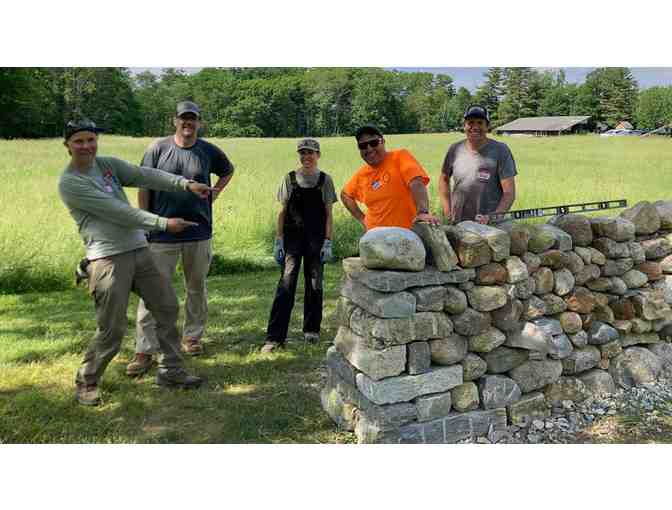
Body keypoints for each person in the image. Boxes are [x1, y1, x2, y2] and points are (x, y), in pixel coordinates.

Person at [58, 118, 214, 406]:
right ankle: (87, 380)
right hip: (108, 259)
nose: (86, 146)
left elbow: (144, 175)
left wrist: (185, 183)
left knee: (166, 307)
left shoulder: (106, 165)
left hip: (139, 251)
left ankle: (171, 370)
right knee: (112, 329)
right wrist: (163, 224)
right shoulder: (70, 182)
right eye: (79, 141)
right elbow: (119, 212)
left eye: (91, 139)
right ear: (67, 145)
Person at [128, 101, 235, 376]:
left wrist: (215, 193)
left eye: (192, 119)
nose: (188, 123)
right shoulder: (157, 148)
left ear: (199, 122)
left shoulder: (207, 150)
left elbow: (228, 170)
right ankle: (144, 350)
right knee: (152, 291)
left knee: (196, 287)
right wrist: (146, 222)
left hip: (199, 233)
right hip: (161, 234)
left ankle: (192, 337)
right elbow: (144, 183)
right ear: (174, 121)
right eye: (183, 118)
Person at [261, 138, 337, 353]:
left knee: (315, 284)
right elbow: (282, 211)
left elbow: (329, 214)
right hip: (292, 239)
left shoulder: (325, 180)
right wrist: (279, 240)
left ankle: (311, 330)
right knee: (286, 285)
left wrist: (328, 241)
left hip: (316, 239)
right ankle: (275, 337)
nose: (306, 157)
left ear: (318, 155)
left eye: (310, 153)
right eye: (303, 153)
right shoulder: (290, 178)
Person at [340, 125, 439, 230]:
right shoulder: (361, 175)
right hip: (375, 235)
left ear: (383, 141)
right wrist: (363, 220)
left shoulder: (400, 157)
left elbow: (416, 181)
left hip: (408, 233)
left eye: (374, 143)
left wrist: (423, 212)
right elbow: (345, 195)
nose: (369, 148)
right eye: (363, 146)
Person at [438, 104, 517, 225]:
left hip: (490, 226)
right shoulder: (455, 149)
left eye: (480, 123)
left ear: (487, 126)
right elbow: (443, 179)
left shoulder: (500, 150)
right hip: (458, 223)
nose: (475, 127)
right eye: (470, 123)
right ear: (464, 126)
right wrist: (448, 212)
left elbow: (509, 193)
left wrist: (495, 216)